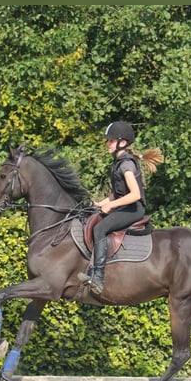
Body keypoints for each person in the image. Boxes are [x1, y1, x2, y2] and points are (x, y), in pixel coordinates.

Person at [78, 121, 161, 295]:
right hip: (124, 206)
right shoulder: (118, 162)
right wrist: (99, 203)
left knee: (100, 228)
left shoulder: (126, 164)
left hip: (133, 209)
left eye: (110, 140)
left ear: (122, 143)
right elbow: (118, 193)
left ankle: (98, 278)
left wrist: (111, 205)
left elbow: (135, 194)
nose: (107, 144)